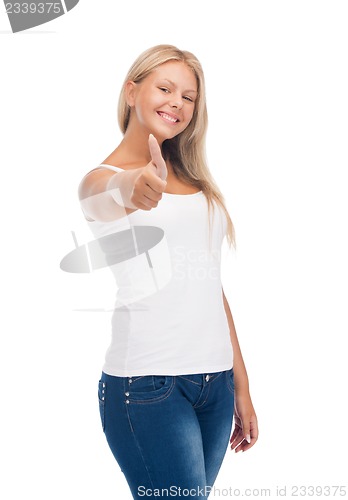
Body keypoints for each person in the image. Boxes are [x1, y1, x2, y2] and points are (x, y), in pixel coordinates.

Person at [78, 44, 259, 499]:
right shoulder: (102, 178)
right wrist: (136, 187)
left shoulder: (197, 183)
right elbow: (112, 193)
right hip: (147, 387)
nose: (176, 103)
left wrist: (241, 384)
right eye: (164, 88)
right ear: (131, 91)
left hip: (214, 385)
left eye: (189, 96)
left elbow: (210, 288)